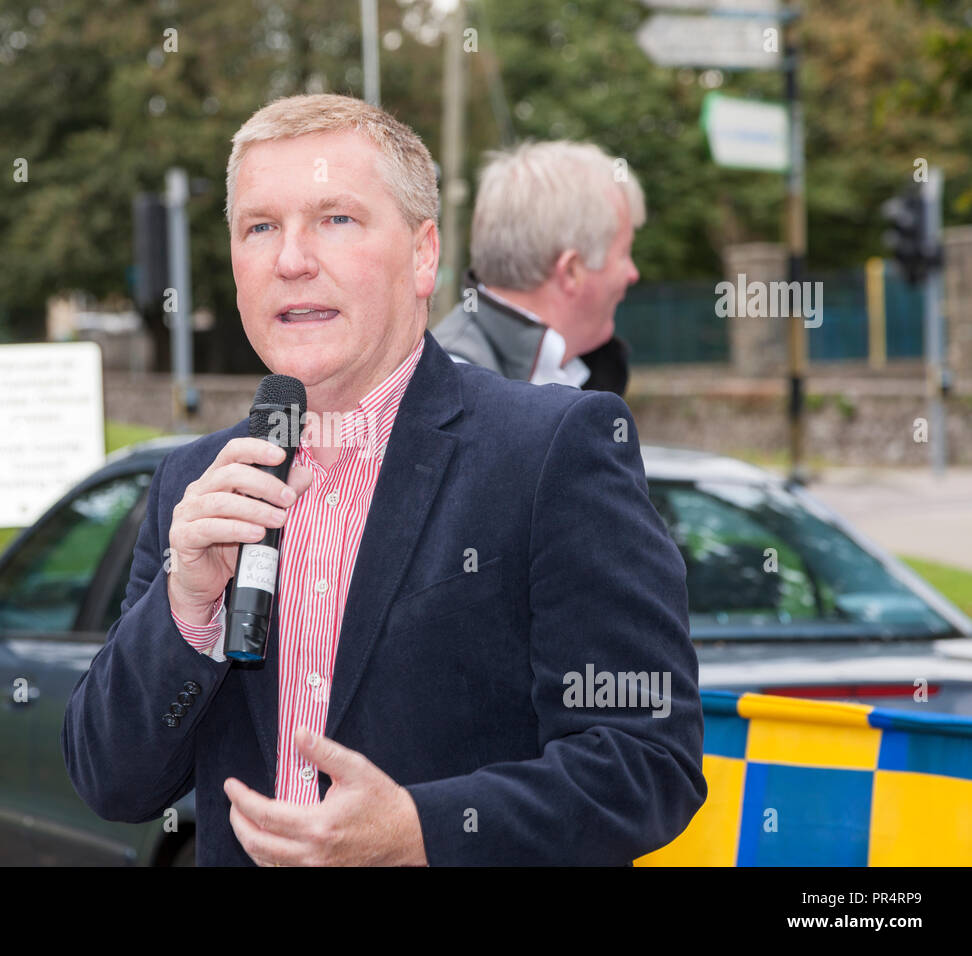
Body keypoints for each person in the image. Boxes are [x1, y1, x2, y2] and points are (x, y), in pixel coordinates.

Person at [62, 94, 704, 866]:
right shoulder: (195, 484)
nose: (291, 258)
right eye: (260, 227)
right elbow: (110, 781)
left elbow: (647, 763)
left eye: (336, 219)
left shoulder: (549, 451)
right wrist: (187, 607)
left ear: (424, 254)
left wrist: (421, 831)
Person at [433, 140, 644, 395]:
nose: (633, 274)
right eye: (623, 254)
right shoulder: (450, 390)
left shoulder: (580, 369)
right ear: (571, 271)